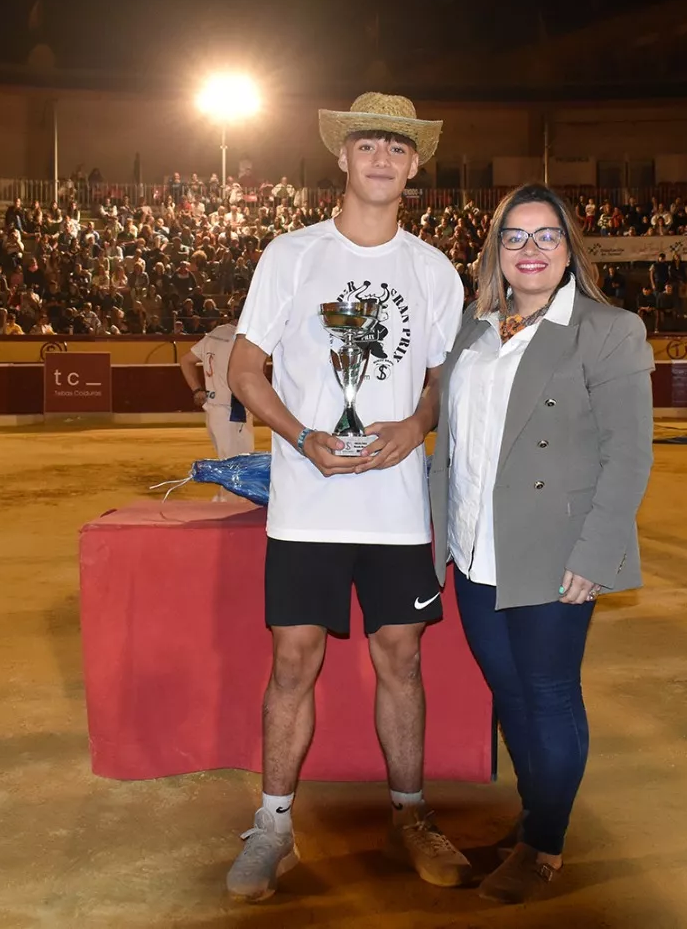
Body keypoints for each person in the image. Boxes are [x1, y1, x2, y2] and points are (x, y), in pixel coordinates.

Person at [223, 93, 467, 902]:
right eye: (369, 144)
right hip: (307, 506)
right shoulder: (291, 255)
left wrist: (417, 425)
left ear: (415, 164)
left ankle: (410, 815)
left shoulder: (432, 271)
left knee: (402, 660)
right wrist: (301, 438)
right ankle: (272, 825)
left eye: (398, 149)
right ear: (343, 156)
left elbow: (441, 383)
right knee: (293, 661)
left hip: (397, 510)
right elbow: (245, 370)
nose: (383, 159)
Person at [429, 183, 653, 904]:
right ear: (496, 250)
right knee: (512, 697)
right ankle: (536, 821)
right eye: (515, 237)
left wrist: (594, 555)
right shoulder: (472, 328)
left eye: (546, 236)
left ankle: (545, 845)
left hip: (554, 553)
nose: (530, 250)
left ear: (569, 250)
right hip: (472, 550)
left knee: (549, 696)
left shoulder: (608, 329)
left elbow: (629, 455)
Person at [179, 318, 252, 497]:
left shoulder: (215, 334)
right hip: (233, 410)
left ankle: (225, 504)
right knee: (237, 469)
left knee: (232, 465)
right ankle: (227, 509)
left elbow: (186, 360)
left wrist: (197, 389)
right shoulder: (242, 340)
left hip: (215, 409)